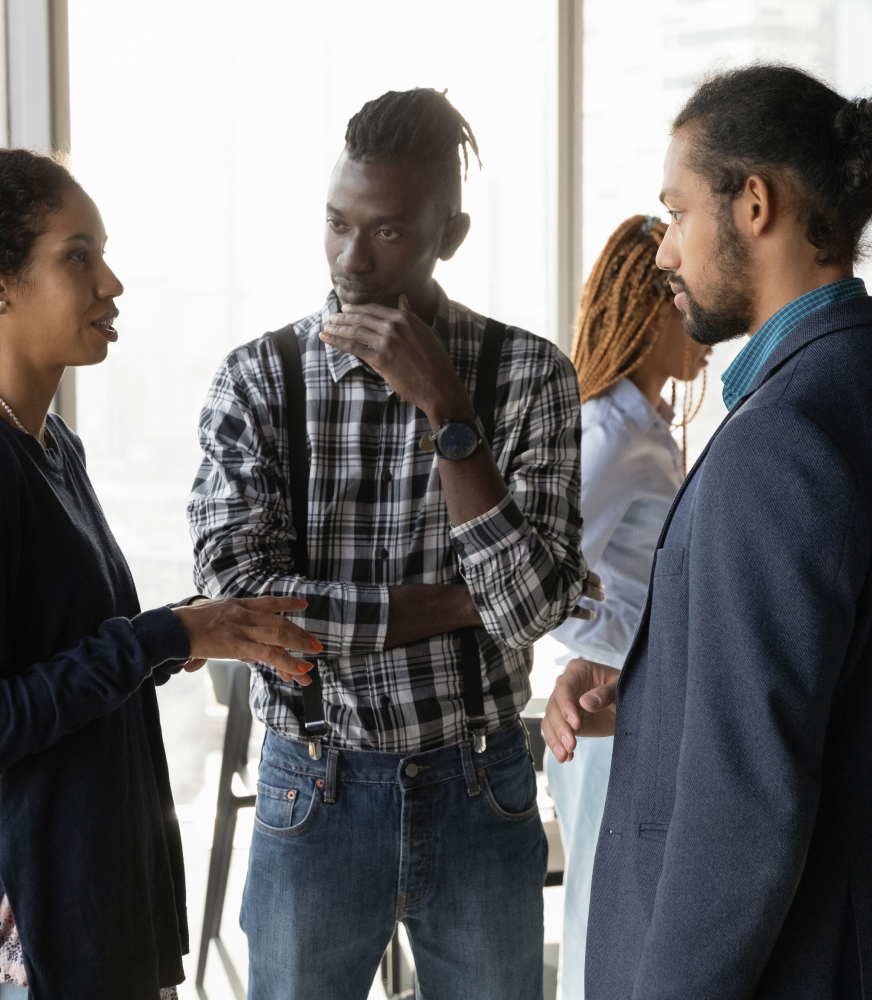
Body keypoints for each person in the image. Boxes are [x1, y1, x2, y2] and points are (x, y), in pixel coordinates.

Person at [0, 148, 321, 1000]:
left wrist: (200, 628)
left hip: (80, 918)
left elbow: (67, 652)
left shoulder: (45, 445)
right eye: (77, 256)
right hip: (15, 949)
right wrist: (167, 634)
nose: (110, 283)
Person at [188, 88, 600, 999]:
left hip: (479, 785)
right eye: (336, 224)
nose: (350, 259)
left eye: (387, 234)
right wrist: (464, 601)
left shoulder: (527, 375)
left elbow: (529, 610)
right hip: (312, 784)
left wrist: (450, 414)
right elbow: (246, 610)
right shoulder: (261, 379)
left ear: (448, 235)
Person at [543, 65, 872, 999]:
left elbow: (743, 810)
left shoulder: (782, 439)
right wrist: (656, 683)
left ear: (755, 205)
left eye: (678, 213)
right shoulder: (841, 389)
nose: (664, 254)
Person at [543, 214, 710, 1000]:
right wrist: (612, 644)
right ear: (649, 312)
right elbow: (545, 586)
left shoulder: (647, 426)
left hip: (637, 702)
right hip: (607, 708)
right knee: (601, 923)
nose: (703, 318)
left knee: (630, 917)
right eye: (682, 295)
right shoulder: (607, 432)